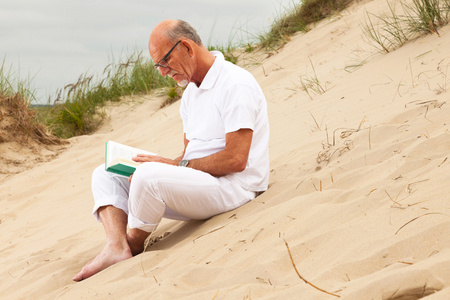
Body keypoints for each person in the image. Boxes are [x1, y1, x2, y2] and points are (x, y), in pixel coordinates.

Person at [72, 19, 269, 281]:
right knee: (106, 171)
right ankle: (115, 245)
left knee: (148, 177)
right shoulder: (190, 94)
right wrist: (167, 163)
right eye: (158, 66)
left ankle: (132, 243)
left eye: (164, 62)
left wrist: (170, 166)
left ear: (186, 46)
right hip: (201, 185)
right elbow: (189, 157)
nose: (163, 72)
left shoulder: (235, 84)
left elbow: (236, 159)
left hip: (235, 187)